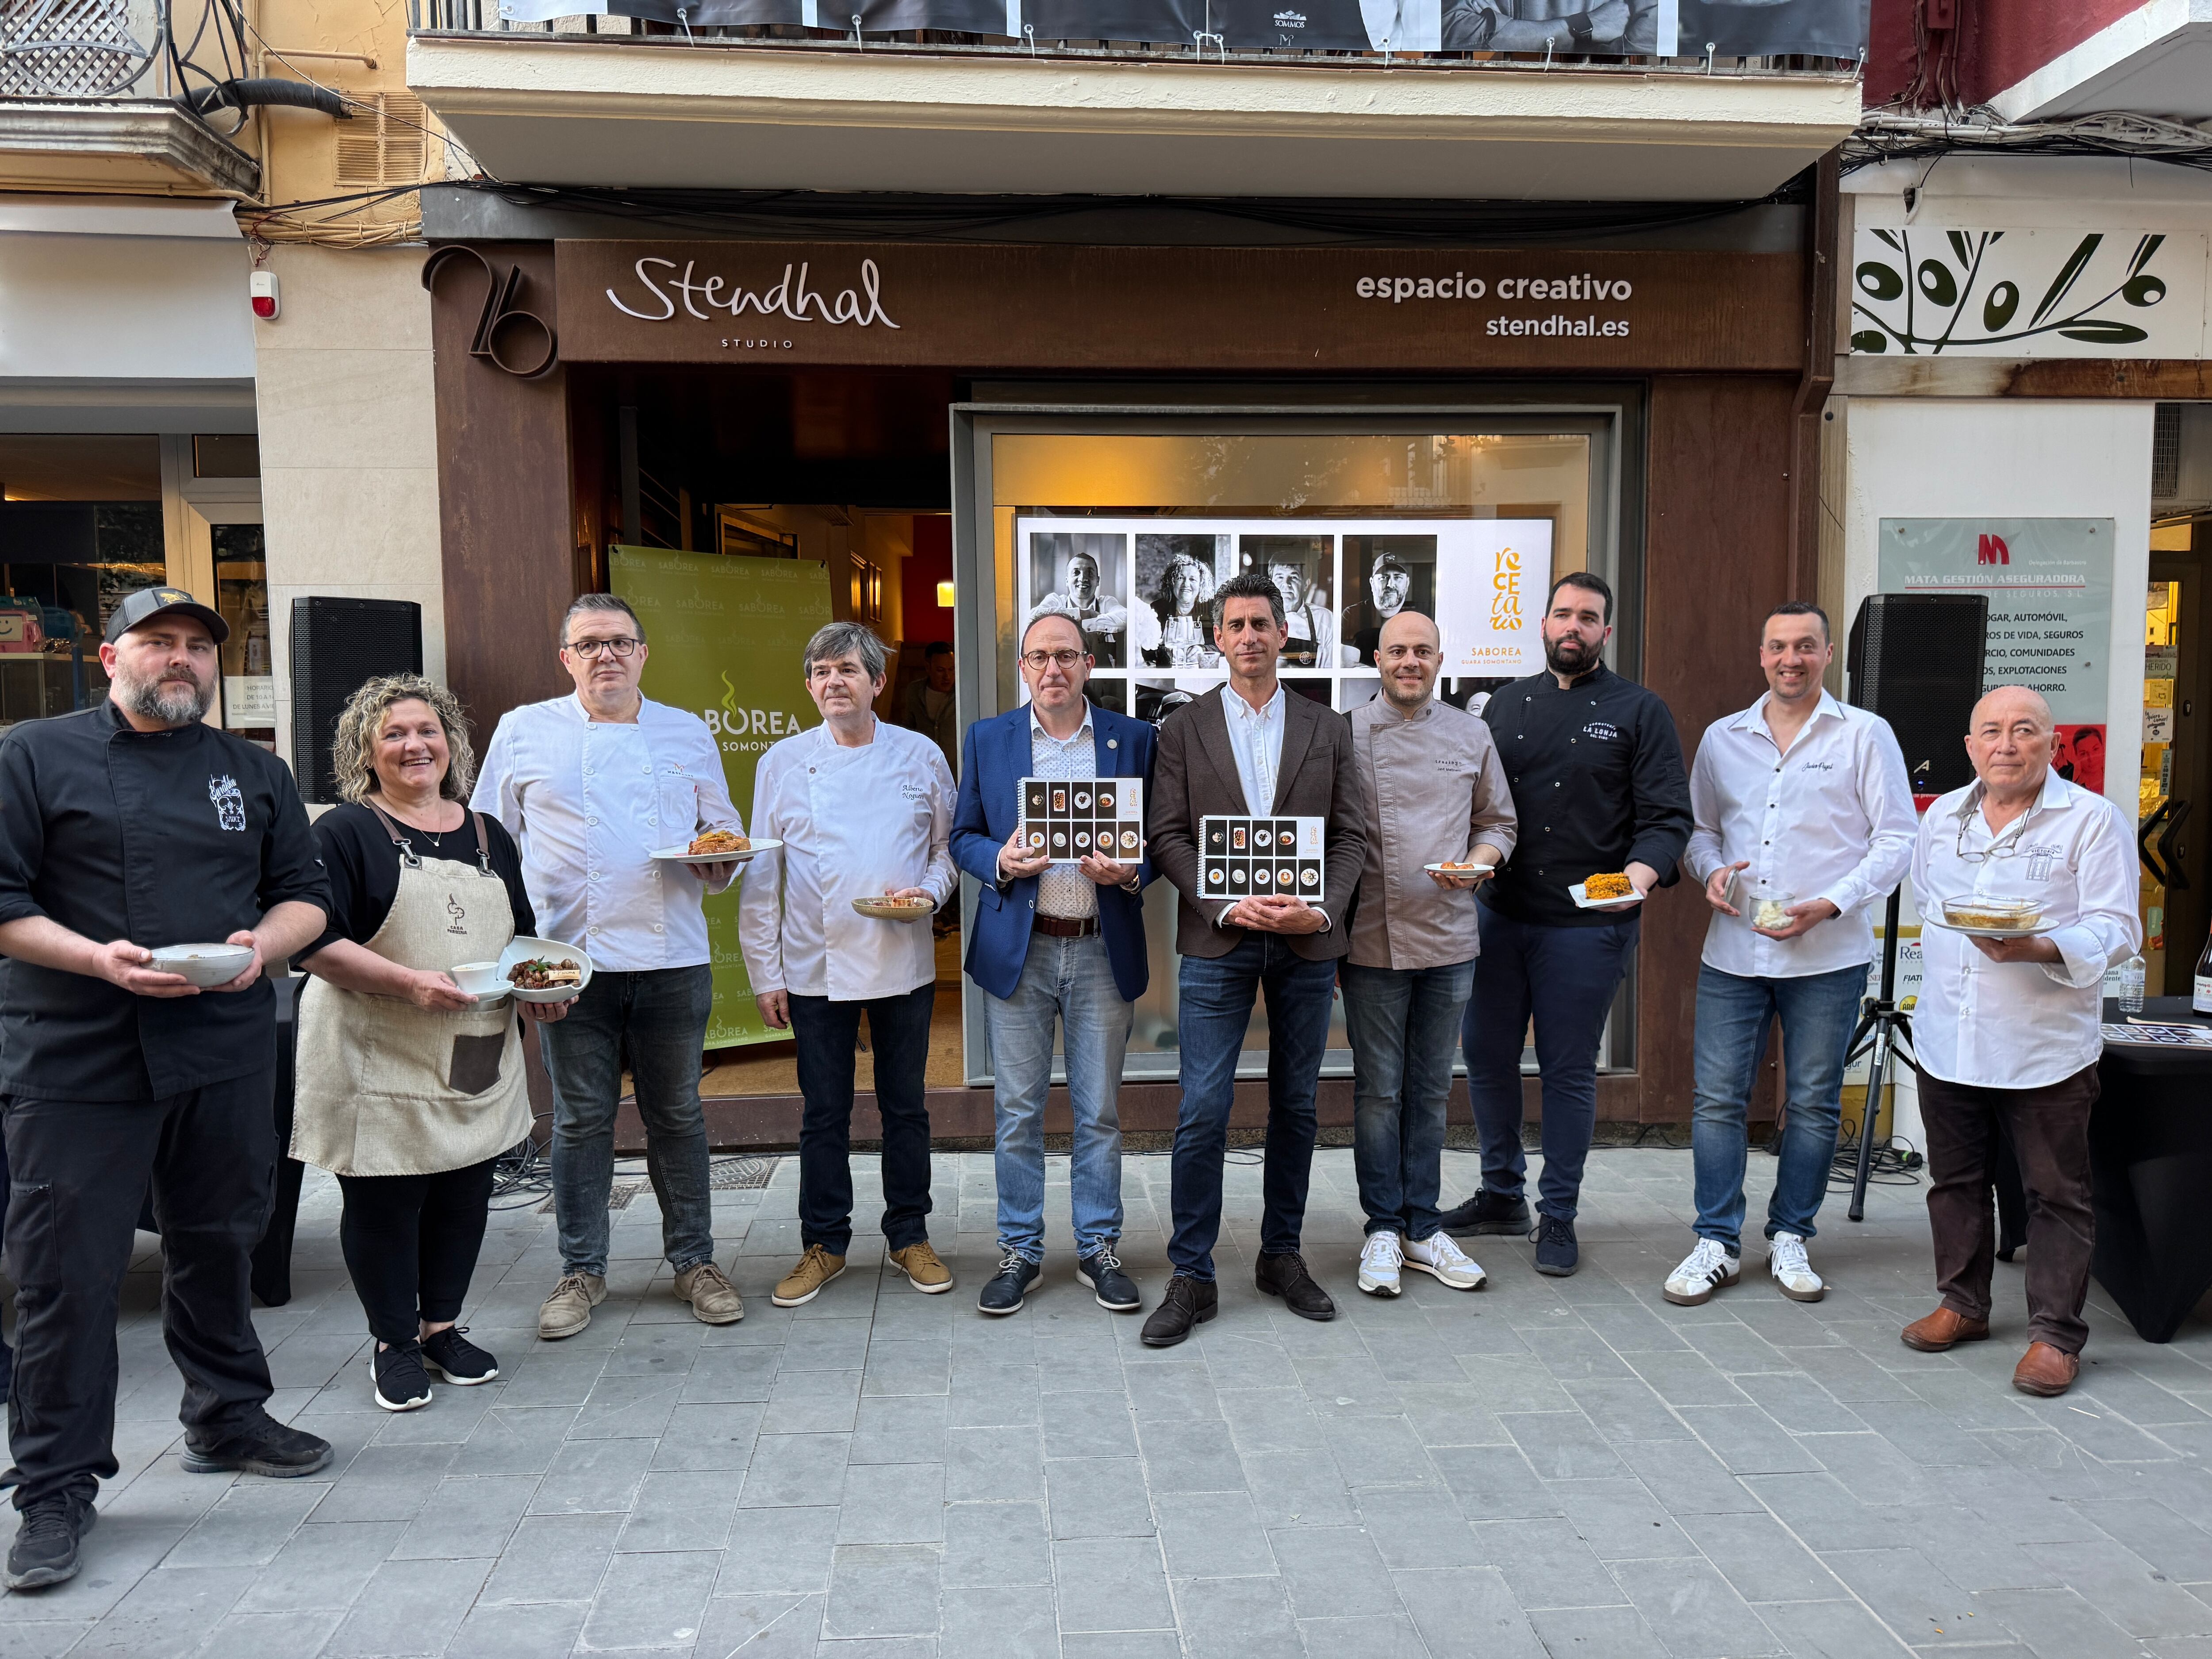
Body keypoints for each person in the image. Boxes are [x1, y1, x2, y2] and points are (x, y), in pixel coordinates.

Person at [0, 586, 333, 1590]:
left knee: (219, 1238)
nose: (180, 658)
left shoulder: (254, 769)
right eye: (159, 642)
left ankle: (225, 1414)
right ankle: (54, 1484)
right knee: (68, 1272)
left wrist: (261, 947)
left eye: (196, 645)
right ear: (111, 656)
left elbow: (306, 894)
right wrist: (98, 959)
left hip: (222, 1041)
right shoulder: (31, 752)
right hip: (75, 1052)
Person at [473, 593, 748, 1341]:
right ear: (566, 658)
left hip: (673, 959)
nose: (607, 656)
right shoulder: (525, 731)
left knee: (679, 1116)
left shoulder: (686, 731)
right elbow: (490, 849)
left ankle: (695, 1261)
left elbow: (719, 830)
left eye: (620, 642)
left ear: (643, 654)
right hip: (568, 963)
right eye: (589, 644)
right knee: (581, 1119)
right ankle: (581, 1269)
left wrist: (720, 857)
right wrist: (520, 962)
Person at [294, 675, 566, 1412]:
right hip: (374, 1045)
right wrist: (410, 984)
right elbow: (314, 942)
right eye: (394, 735)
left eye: (427, 731)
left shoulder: (487, 835)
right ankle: (394, 1343)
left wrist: (543, 991)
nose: (415, 745)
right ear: (365, 752)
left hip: (474, 1041)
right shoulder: (343, 833)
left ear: (451, 742)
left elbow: (521, 939)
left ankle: (441, 1326)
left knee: (463, 1189)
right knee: (385, 1199)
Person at [1436, 572, 1691, 1276]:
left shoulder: (1641, 710)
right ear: (1542, 624)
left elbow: (1668, 818)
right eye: (1562, 614)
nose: (1572, 626)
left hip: (1586, 925)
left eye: (1588, 617)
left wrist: (1636, 881)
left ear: (1606, 632)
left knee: (1567, 1069)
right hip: (1499, 915)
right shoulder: (1507, 704)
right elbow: (1477, 805)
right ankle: (1500, 1193)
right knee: (1486, 1056)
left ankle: (1559, 1212)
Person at [1664, 603, 1915, 1309]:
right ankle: (1716, 1238)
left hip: (1829, 956)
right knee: (1716, 1101)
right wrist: (1710, 871)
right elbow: (1700, 832)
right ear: (1762, 654)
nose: (1791, 658)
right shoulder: (1723, 738)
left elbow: (1897, 838)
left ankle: (1791, 1233)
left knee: (1812, 1102)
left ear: (1828, 653)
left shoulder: (1866, 734)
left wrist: (1832, 903)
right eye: (1778, 646)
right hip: (1734, 952)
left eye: (1806, 646)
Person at [1141, 572, 1367, 1347]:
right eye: (1235, 625)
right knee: (1203, 1109)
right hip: (1220, 938)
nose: (1249, 637)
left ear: (1283, 635)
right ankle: (1192, 1274)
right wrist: (1221, 902)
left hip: (1306, 939)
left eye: (1262, 624)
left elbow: (1350, 838)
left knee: (1297, 1107)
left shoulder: (1327, 727)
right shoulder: (1183, 730)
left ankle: (1281, 1255)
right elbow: (1167, 835)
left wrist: (1323, 907)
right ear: (1217, 637)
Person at [1899, 686, 2139, 1398]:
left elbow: (2118, 925)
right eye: (1992, 731)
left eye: (2024, 730)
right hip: (1951, 1034)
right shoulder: (1942, 815)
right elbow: (1926, 899)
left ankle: (2055, 1337)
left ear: (2052, 742)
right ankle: (1964, 1305)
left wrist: (2039, 946)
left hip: (2044, 1045)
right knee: (1955, 1182)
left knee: (2056, 1194)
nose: (2007, 744)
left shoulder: (2091, 821)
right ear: (1970, 746)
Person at [741, 622, 959, 1309]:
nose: (834, 681)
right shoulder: (780, 761)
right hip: (814, 963)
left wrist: (929, 893)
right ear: (809, 686)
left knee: (907, 1109)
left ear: (877, 682)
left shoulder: (921, 755)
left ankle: (909, 1234)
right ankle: (825, 1244)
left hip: (903, 959)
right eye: (821, 672)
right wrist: (765, 973)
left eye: (848, 670)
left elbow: (946, 851)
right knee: (823, 1112)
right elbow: (760, 878)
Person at [951, 608, 1155, 1316]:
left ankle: (1099, 1245)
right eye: (1039, 657)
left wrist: (1130, 872)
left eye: (1066, 655)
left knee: (1099, 1112)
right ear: (1023, 668)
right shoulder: (989, 738)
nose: (1053, 669)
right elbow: (963, 836)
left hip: (1101, 943)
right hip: (1023, 945)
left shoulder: (1134, 739)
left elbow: (1160, 839)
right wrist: (1000, 860)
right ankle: (1021, 1250)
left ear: (1088, 664)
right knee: (1016, 1111)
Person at [1342, 611, 1516, 1299]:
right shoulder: (1346, 733)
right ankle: (1384, 1225)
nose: (1409, 660)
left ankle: (1424, 1223)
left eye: (1422, 650)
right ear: (1377, 660)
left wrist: (1478, 864)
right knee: (1380, 1092)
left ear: (1440, 658)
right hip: (1371, 937)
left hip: (1449, 933)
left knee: (1433, 1089)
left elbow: (1497, 821)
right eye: (1397, 651)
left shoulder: (1471, 733)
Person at [1037, 550, 1129, 667]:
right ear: (1067, 581)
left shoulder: (1106, 603)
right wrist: (1085, 614)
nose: (1083, 579)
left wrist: (1082, 621)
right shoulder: (1056, 600)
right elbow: (1034, 615)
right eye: (1076, 573)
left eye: (1090, 573)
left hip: (1100, 678)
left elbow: (1126, 617)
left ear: (1098, 581)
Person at [1131, 553, 1220, 669]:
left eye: (1192, 579)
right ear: (1172, 582)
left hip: (1200, 676)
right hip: (1164, 676)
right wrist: (1164, 653)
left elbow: (1224, 645)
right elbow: (1143, 648)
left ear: (1201, 585)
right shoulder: (1157, 609)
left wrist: (1203, 649)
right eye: (1180, 578)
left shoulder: (1211, 609)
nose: (1186, 584)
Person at [1339, 552, 1418, 667]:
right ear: (1372, 583)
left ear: (1407, 584)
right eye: (1384, 578)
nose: (1391, 584)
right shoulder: (1352, 614)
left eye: (1398, 578)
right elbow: (1345, 661)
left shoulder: (1416, 620)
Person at [901, 641, 959, 779]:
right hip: (924, 770)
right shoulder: (914, 692)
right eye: (941, 670)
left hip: (956, 771)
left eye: (952, 669)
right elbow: (907, 728)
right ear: (928, 667)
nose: (948, 676)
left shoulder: (961, 694)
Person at [1268, 558, 1338, 671]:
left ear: (1306, 584)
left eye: (1294, 578)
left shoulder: (1324, 618)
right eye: (1280, 577)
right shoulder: (1260, 617)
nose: (1286, 584)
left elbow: (1329, 670)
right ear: (1271, 584)